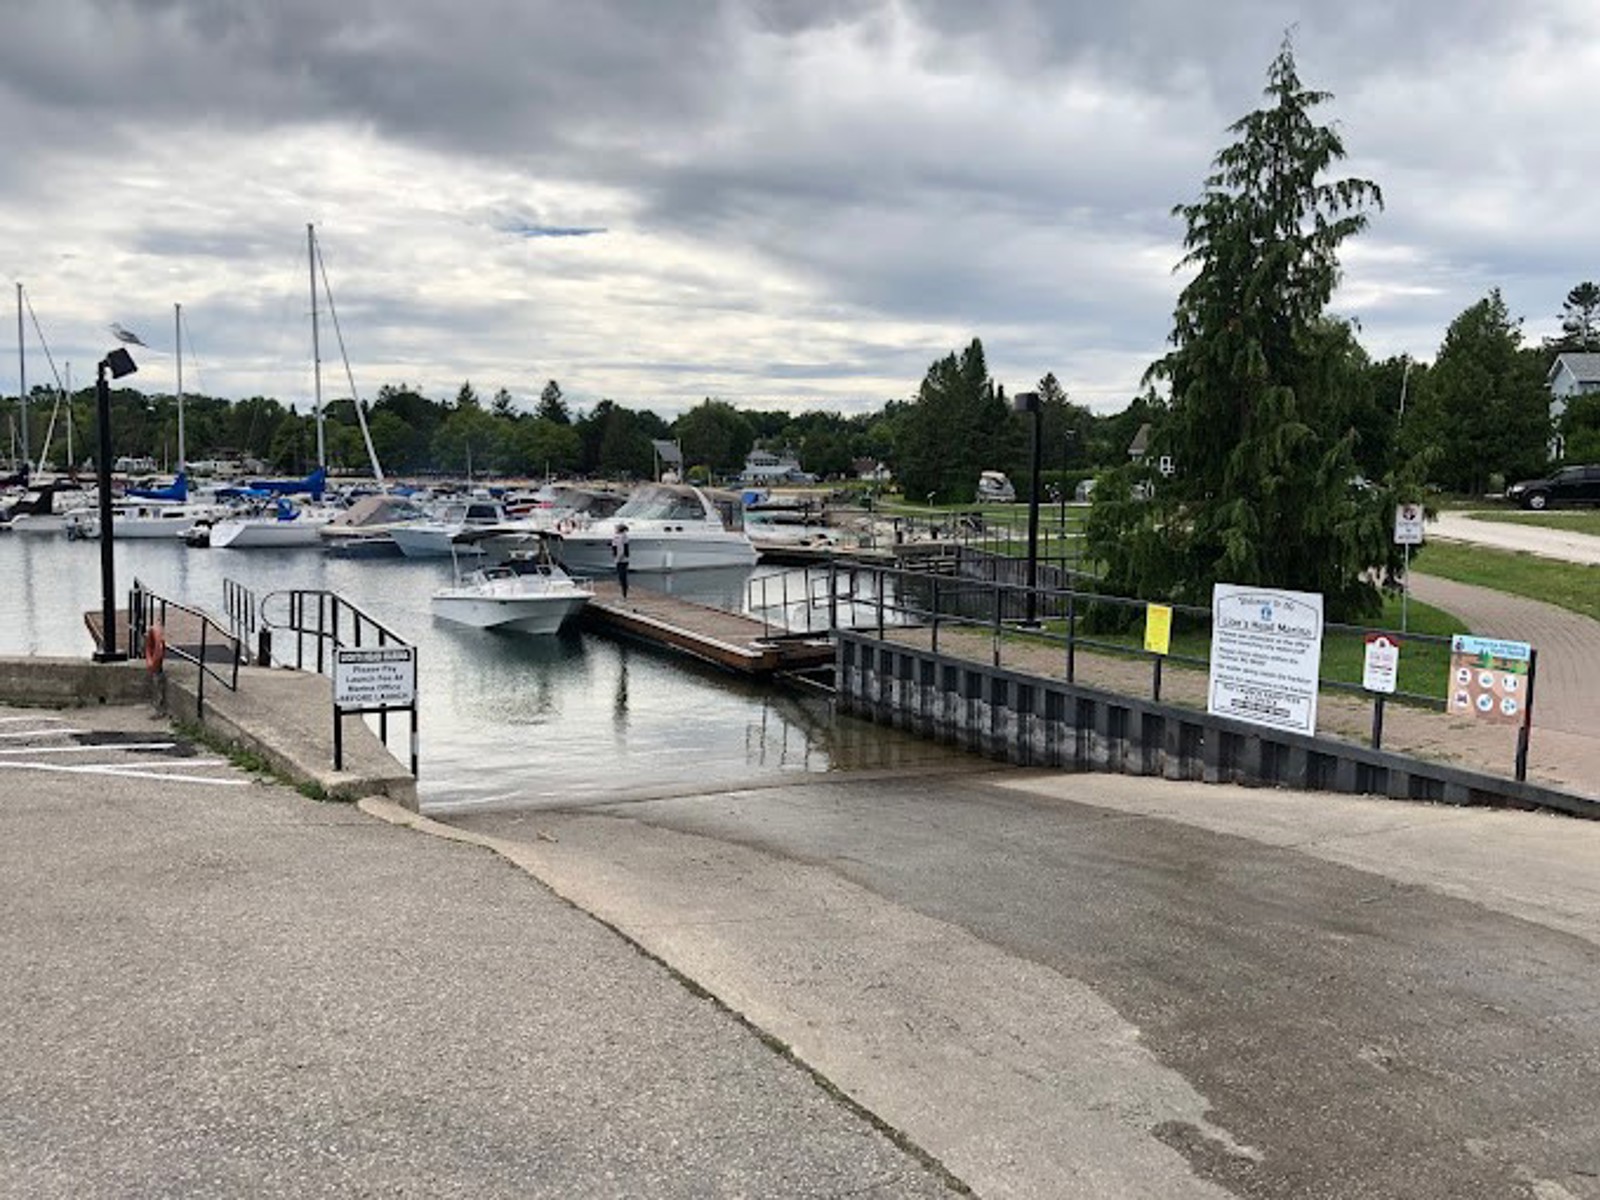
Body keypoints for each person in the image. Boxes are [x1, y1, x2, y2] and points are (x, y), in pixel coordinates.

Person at [611, 523, 630, 599]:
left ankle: (624, 593)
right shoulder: (623, 537)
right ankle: (624, 592)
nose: (615, 529)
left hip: (621, 560)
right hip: (624, 559)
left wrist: (618, 559)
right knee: (622, 576)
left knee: (622, 576)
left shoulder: (620, 537)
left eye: (616, 528)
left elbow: (620, 549)